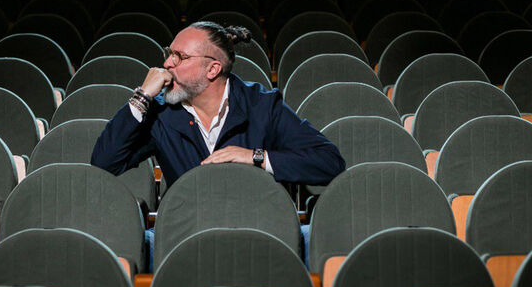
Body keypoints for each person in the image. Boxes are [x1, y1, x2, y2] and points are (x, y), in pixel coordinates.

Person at [91, 21, 345, 187]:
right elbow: (104, 165)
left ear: (212, 69)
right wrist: (142, 97)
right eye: (169, 54)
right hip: (187, 228)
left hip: (253, 226)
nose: (167, 64)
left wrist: (254, 157)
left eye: (179, 57)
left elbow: (329, 163)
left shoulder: (262, 106)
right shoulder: (160, 113)